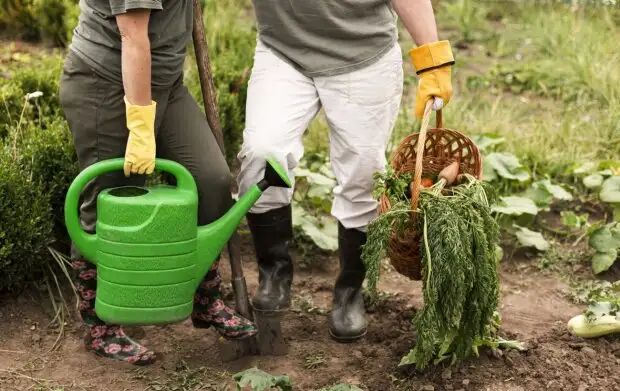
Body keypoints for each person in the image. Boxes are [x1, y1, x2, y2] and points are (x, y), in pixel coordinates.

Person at [237, 0, 454, 342]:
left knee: (363, 174)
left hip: (363, 57)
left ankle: (350, 290)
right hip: (284, 52)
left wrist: (433, 60)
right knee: (263, 153)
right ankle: (273, 271)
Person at [59, 1, 257, 366]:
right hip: (106, 82)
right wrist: (139, 125)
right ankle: (99, 326)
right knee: (107, 199)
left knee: (211, 182)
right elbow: (133, 34)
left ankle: (203, 298)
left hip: (164, 83)